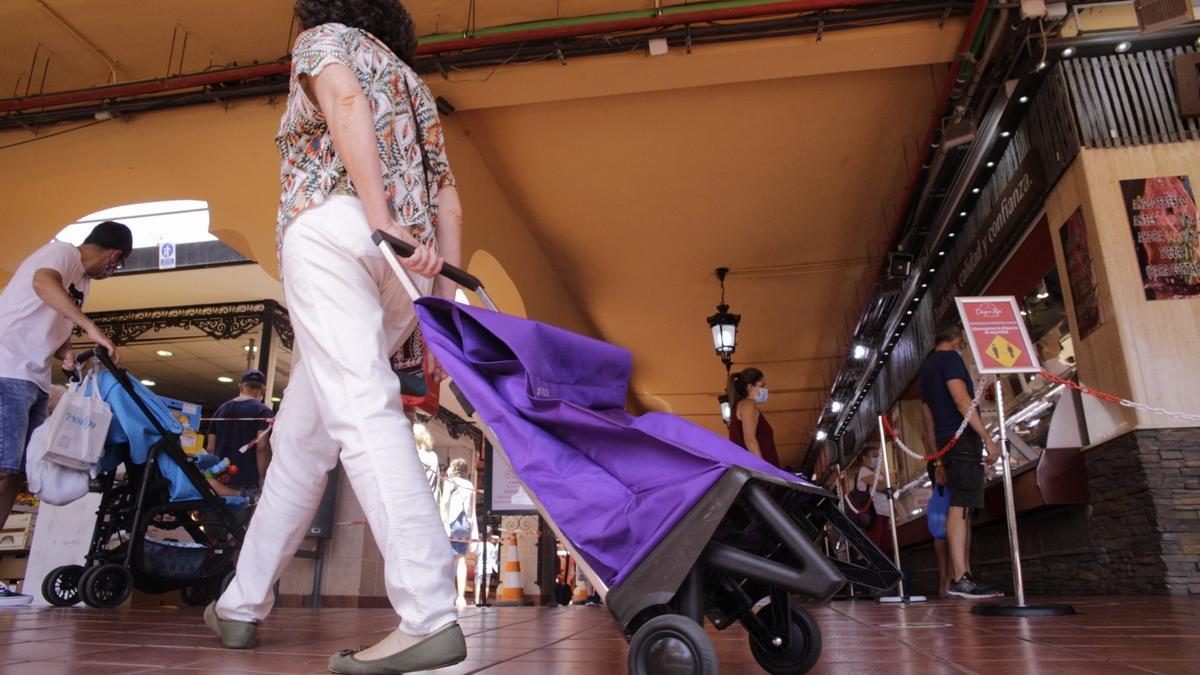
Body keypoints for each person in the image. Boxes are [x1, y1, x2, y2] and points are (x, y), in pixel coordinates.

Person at [206, 1, 468, 672]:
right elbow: (449, 202)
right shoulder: (415, 88)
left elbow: (344, 97)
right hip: (404, 272)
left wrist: (378, 218)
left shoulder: (324, 40)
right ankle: (240, 603)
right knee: (301, 443)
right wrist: (436, 311)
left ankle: (429, 611)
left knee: (362, 408)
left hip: (338, 230)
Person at [0, 221, 130, 606]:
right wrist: (90, 326)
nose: (111, 272)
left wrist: (66, 353)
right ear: (115, 256)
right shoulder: (61, 254)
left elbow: (50, 320)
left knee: (16, 475)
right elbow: (43, 283)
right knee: (4, 470)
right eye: (117, 266)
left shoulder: (80, 283)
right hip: (7, 371)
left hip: (35, 379)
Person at [919, 324, 1002, 600]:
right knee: (961, 506)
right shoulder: (951, 360)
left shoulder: (927, 368)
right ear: (958, 342)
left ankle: (961, 575)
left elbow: (927, 420)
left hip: (945, 444)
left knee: (960, 505)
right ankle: (961, 578)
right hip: (962, 438)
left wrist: (939, 461)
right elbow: (961, 398)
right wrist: (987, 437)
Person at [206, 370, 274, 493]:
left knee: (217, 511)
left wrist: (212, 475)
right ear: (264, 389)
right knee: (244, 511)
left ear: (241, 386)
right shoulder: (264, 412)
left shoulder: (221, 410)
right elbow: (262, 447)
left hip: (220, 478)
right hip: (248, 479)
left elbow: (211, 447)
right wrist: (263, 477)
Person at [439, 458, 477, 610]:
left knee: (447, 559)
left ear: (453, 469)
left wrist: (443, 523)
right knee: (461, 560)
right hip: (464, 524)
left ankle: (447, 595)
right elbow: (472, 510)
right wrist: (474, 530)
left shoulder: (450, 482)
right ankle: (461, 597)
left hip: (451, 522)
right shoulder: (470, 485)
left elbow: (444, 503)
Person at [726, 367, 781, 468]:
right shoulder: (748, 405)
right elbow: (749, 439)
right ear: (750, 387)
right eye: (762, 385)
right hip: (757, 473)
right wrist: (764, 469)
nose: (765, 390)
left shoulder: (738, 407)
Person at [855, 446, 892, 556]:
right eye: (874, 456)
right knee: (876, 547)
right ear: (864, 458)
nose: (877, 459)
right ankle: (878, 572)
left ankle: (884, 571)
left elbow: (888, 486)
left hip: (883, 512)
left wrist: (888, 484)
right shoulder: (863, 471)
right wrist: (889, 482)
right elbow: (881, 486)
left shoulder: (875, 473)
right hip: (874, 514)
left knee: (884, 547)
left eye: (878, 456)